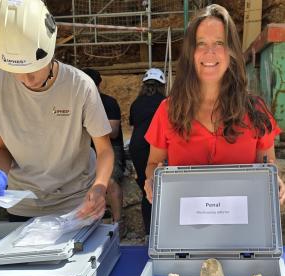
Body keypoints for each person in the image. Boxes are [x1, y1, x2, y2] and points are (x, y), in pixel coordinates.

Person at [0, 0, 114, 222]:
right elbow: (0, 146)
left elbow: (104, 150)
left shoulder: (79, 86)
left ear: (49, 50)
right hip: (23, 204)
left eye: (32, 69)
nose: (26, 79)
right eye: (14, 71)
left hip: (77, 202)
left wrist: (99, 187)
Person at [144, 4, 285, 204]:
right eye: (201, 43)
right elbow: (152, 164)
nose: (210, 52)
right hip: (186, 229)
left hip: (241, 230)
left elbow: (268, 166)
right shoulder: (168, 111)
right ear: (190, 53)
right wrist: (152, 179)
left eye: (219, 42)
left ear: (231, 52)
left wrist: (275, 181)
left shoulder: (256, 111)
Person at [82, 68, 125, 224]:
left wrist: (91, 125)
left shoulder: (109, 102)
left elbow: (113, 132)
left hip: (110, 150)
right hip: (87, 150)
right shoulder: (78, 103)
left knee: (111, 183)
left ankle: (117, 224)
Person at [129, 68, 165, 234]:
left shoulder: (136, 104)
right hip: (157, 147)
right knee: (164, 188)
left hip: (137, 147)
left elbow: (134, 125)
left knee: (147, 187)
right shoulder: (165, 103)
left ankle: (149, 232)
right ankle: (163, 231)